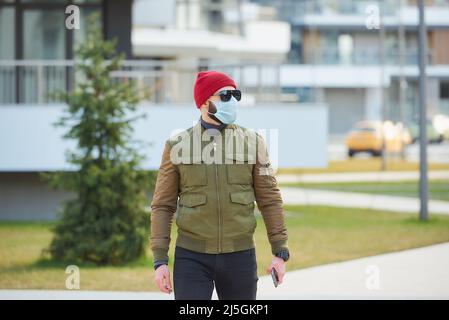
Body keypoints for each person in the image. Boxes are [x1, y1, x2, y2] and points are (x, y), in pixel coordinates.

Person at [150, 70, 290, 300]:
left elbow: (270, 198)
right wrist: (160, 261)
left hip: (240, 256)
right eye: (225, 96)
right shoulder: (177, 145)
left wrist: (279, 250)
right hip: (191, 258)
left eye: (236, 95)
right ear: (205, 102)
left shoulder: (253, 142)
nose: (232, 101)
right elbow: (162, 206)